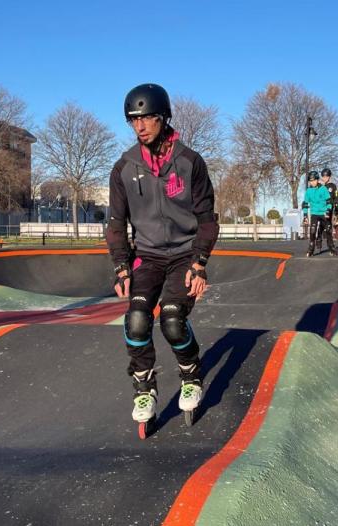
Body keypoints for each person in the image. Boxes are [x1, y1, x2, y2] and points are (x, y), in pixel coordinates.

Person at [107, 83, 220, 428]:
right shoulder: (124, 168)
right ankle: (144, 386)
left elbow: (207, 221)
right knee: (137, 319)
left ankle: (190, 375)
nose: (140, 127)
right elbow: (115, 223)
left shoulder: (189, 163)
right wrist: (121, 267)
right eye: (133, 121)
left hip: (185, 255)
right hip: (148, 257)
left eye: (147, 119)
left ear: (163, 117)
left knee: (172, 320)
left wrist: (199, 263)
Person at [303, 171, 338, 257]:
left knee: (328, 229)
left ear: (317, 180)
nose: (312, 183)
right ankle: (311, 249)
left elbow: (329, 202)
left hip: (324, 213)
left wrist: (328, 210)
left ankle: (332, 248)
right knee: (312, 231)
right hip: (314, 213)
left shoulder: (323, 189)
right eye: (310, 181)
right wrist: (305, 216)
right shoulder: (308, 191)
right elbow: (305, 204)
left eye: (314, 180)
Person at [318, 168, 338, 250]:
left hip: (330, 209)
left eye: (326, 176)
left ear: (329, 177)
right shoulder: (320, 186)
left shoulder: (333, 186)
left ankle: (330, 244)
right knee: (321, 225)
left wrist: (336, 210)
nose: (325, 178)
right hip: (321, 209)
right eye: (323, 176)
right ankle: (319, 239)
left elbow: (336, 198)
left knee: (328, 226)